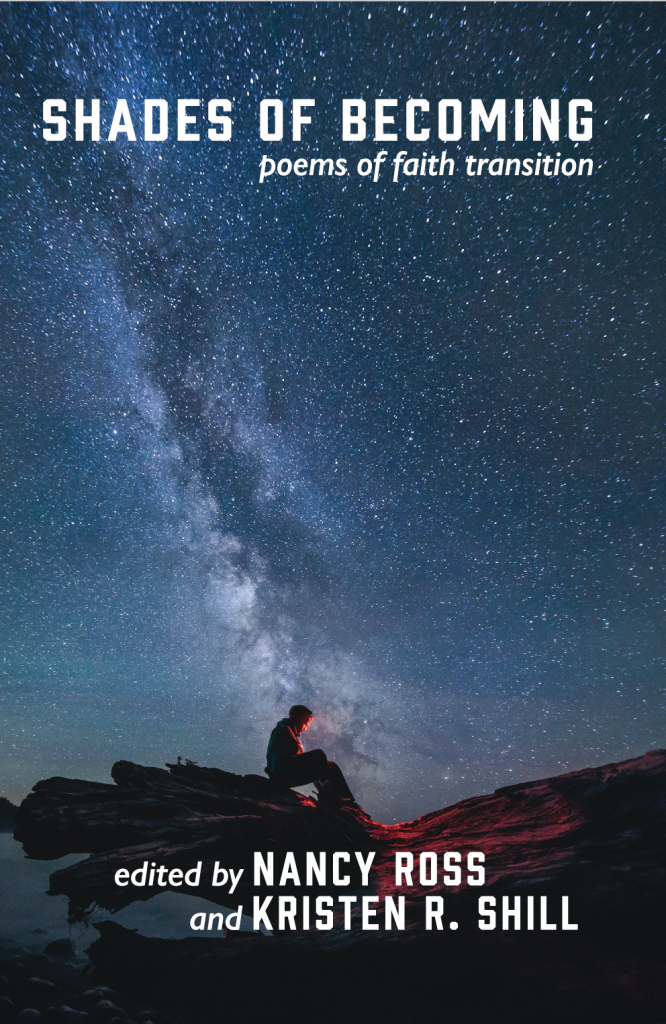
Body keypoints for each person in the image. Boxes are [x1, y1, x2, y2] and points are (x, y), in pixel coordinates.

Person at [265, 704, 356, 806]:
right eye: (305, 722)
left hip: (282, 773)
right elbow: (281, 760)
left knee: (330, 766)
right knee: (319, 755)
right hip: (283, 775)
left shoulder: (284, 730)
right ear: (296, 717)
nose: (306, 727)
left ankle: (341, 797)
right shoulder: (284, 730)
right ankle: (334, 797)